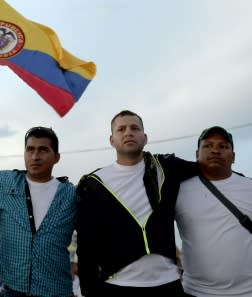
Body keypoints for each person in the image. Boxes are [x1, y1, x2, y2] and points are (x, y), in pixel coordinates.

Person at [76, 109, 198, 297]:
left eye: (134, 128)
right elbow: (86, 244)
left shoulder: (166, 167)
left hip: (168, 283)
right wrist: (88, 291)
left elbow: (211, 170)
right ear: (112, 140)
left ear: (145, 137)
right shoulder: (94, 183)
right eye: (121, 129)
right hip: (117, 285)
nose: (128, 132)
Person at [0, 126, 79, 297]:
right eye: (30, 149)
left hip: (57, 291)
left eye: (43, 150)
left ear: (57, 157)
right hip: (12, 290)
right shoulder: (5, 182)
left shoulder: (72, 195)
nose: (35, 156)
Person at [174, 125, 252, 297]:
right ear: (196, 154)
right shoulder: (178, 192)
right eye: (208, 146)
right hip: (197, 291)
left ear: (233, 156)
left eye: (223, 146)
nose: (215, 150)